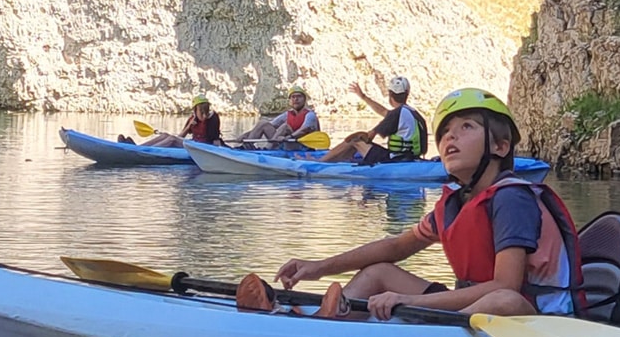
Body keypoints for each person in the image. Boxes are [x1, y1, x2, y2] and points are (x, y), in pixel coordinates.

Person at [240, 88, 583, 319]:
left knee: (502, 300)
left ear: (501, 147)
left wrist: (412, 302)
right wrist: (317, 267)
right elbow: (394, 247)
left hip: (539, 320)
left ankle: (415, 326)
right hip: (476, 308)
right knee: (378, 273)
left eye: (466, 127)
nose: (451, 136)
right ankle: (330, 322)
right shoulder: (454, 203)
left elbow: (506, 286)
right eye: (446, 131)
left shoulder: (511, 198)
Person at [320, 75, 427, 164]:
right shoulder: (412, 113)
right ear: (407, 94)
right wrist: (363, 96)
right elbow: (384, 112)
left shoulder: (397, 114)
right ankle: (340, 159)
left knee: (355, 141)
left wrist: (358, 137)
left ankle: (321, 162)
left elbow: (368, 137)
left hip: (395, 160)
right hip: (411, 158)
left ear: (390, 94)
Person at [129, 95, 223, 149]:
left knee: (172, 140)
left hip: (203, 148)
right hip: (194, 144)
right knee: (166, 136)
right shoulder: (193, 118)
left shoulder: (213, 118)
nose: (203, 115)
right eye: (200, 111)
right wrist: (189, 126)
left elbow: (215, 140)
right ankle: (138, 148)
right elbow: (181, 136)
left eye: (204, 112)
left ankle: (145, 151)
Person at [236, 86, 319, 145]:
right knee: (263, 123)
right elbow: (268, 126)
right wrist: (246, 135)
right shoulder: (287, 114)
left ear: (304, 100)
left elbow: (304, 130)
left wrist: (288, 137)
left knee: (285, 127)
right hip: (285, 143)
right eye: (293, 97)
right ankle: (247, 144)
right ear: (290, 100)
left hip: (301, 147)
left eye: (299, 97)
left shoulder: (310, 115)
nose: (296, 99)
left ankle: (271, 148)